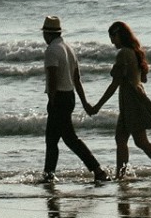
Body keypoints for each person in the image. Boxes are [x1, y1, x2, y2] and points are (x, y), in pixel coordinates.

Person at [85, 20, 151, 180]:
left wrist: (97, 106)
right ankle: (120, 176)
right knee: (121, 139)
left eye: (113, 36)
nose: (112, 41)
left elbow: (115, 84)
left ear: (120, 35)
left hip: (132, 103)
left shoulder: (123, 54)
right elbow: (142, 79)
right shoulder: (134, 52)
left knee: (141, 141)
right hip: (131, 101)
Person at [40, 16, 107, 185]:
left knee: (69, 139)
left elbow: (53, 78)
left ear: (47, 33)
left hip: (59, 98)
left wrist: (52, 100)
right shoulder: (68, 48)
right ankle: (48, 174)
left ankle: (98, 170)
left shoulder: (51, 50)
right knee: (53, 139)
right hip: (69, 96)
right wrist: (84, 102)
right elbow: (77, 78)